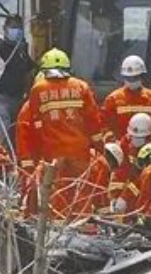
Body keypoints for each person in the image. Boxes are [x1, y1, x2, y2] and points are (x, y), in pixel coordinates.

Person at [17, 48, 103, 219]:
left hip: (53, 153)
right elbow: (93, 122)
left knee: (56, 193)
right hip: (80, 152)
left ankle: (56, 228)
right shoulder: (82, 87)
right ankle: (81, 224)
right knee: (80, 193)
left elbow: (36, 124)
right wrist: (99, 148)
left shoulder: (38, 90)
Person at [0, 14, 34, 140]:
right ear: (5, 28)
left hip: (19, 97)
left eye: (19, 28)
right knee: (1, 132)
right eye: (13, 27)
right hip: (0, 97)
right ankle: (0, 156)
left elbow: (28, 69)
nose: (16, 31)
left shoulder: (22, 48)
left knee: (18, 132)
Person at [101, 56, 151, 143]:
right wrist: (113, 142)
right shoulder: (113, 99)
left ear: (142, 76)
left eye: (134, 77)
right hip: (122, 147)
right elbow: (105, 126)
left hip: (147, 147)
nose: (131, 81)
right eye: (128, 78)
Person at [109, 113, 151, 215]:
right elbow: (120, 170)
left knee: (142, 210)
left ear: (149, 136)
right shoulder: (125, 142)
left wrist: (125, 198)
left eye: (140, 138)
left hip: (149, 186)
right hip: (133, 182)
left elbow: (144, 179)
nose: (135, 140)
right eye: (133, 136)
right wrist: (115, 196)